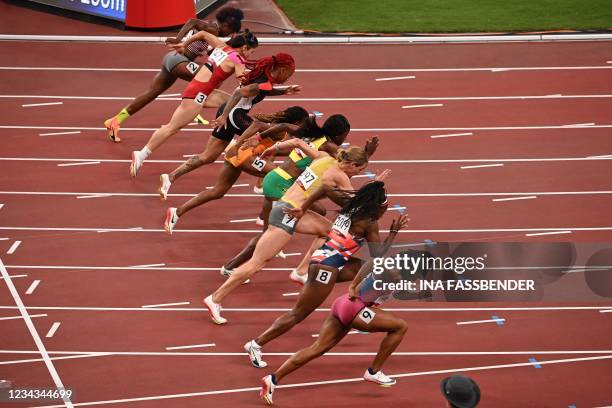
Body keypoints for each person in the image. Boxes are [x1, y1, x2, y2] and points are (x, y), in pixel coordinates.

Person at [203, 147, 388, 325]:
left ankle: (301, 271)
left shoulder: (324, 158)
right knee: (256, 264)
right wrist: (374, 187)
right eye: (359, 170)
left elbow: (298, 144)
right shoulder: (338, 175)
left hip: (290, 209)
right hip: (286, 214)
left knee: (329, 231)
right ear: (351, 164)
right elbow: (355, 203)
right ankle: (215, 298)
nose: (357, 174)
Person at [244, 181, 409, 368]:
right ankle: (256, 344)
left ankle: (364, 307)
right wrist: (393, 233)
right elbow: (377, 254)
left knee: (372, 268)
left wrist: (303, 207)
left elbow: (324, 187)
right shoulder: (370, 223)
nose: (384, 212)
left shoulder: (350, 206)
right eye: (385, 209)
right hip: (326, 269)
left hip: (327, 262)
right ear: (380, 206)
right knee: (297, 314)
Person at [259, 252, 423, 405]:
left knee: (316, 349)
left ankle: (272, 379)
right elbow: (374, 260)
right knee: (400, 326)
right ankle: (373, 372)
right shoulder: (394, 271)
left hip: (344, 305)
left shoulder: (400, 275)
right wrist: (353, 285)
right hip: (355, 307)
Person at [146, 53, 299, 182]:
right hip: (233, 114)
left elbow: (264, 90)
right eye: (289, 75)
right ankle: (239, 149)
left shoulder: (264, 79)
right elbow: (239, 93)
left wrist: (284, 91)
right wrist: (225, 116)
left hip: (228, 111)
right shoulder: (263, 82)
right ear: (282, 69)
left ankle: (170, 177)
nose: (288, 78)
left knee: (208, 156)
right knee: (272, 132)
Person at [103, 7, 244, 142]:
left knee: (151, 93)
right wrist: (178, 40)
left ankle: (115, 120)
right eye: (230, 31)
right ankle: (192, 105)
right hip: (179, 60)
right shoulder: (212, 28)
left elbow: (211, 50)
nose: (228, 35)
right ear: (226, 25)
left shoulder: (214, 31)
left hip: (172, 59)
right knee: (213, 77)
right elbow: (192, 21)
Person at [163, 107, 315, 232]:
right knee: (278, 175)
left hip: (239, 153)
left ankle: (177, 212)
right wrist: (237, 146)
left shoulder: (281, 130)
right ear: (296, 122)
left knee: (218, 191)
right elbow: (255, 126)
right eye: (302, 124)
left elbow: (275, 148)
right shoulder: (280, 130)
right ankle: (265, 224)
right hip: (243, 155)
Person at [130, 30, 259, 177]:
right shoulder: (238, 59)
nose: (250, 56)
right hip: (198, 95)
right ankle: (141, 154)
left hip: (202, 90)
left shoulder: (222, 47)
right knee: (172, 127)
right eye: (252, 52)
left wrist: (184, 45)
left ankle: (227, 139)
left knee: (231, 104)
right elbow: (242, 81)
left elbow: (203, 33)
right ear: (244, 48)